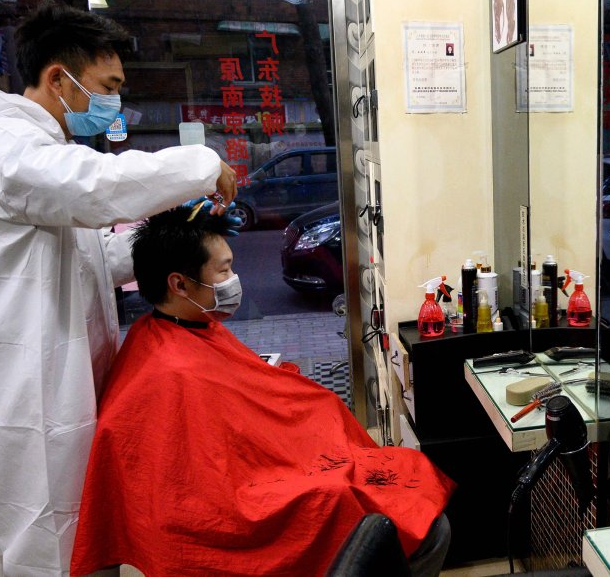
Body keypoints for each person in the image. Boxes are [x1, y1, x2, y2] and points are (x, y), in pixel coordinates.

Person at [0, 1, 237, 576]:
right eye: (107, 87)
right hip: (27, 386)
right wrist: (202, 164)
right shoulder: (2, 146)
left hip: (63, 374)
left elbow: (94, 258)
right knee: (49, 543)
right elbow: (94, 189)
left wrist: (177, 234)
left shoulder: (46, 156)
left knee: (89, 532)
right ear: (60, 78)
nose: (113, 103)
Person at [70, 208, 454, 576]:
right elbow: (205, 483)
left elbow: (235, 403)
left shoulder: (185, 327)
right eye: (223, 271)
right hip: (241, 503)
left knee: (390, 469)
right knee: (411, 518)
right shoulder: (170, 369)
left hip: (270, 463)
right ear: (179, 283)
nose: (233, 279)